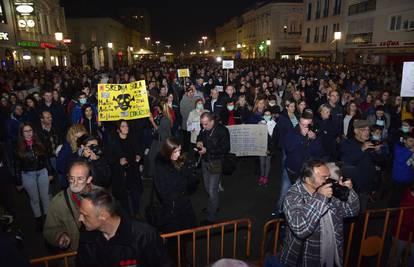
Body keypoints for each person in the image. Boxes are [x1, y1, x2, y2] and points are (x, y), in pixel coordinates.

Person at [280, 159, 359, 267]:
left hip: (331, 258)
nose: (329, 180)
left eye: (328, 176)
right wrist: (320, 198)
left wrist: (348, 192)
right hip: (305, 259)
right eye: (324, 177)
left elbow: (351, 211)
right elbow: (300, 229)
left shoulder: (328, 190)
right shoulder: (293, 197)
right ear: (308, 179)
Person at [76, 188, 172, 267]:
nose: (80, 219)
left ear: (103, 216)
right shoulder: (86, 238)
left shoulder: (145, 236)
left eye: (85, 215)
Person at [43, 161, 99, 252]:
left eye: (80, 179)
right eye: (72, 178)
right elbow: (49, 229)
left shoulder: (102, 196)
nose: (75, 183)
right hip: (74, 255)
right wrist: (60, 236)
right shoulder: (58, 202)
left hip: (100, 253)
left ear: (89, 179)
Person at [14, 122, 53, 231]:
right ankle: (38, 220)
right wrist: (18, 182)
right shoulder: (18, 146)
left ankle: (48, 220)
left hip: (42, 172)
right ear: (22, 133)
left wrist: (50, 173)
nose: (28, 133)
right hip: (27, 175)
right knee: (34, 199)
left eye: (30, 130)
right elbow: (16, 166)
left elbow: (46, 159)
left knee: (45, 197)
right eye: (25, 131)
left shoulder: (39, 142)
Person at [154, 137, 197, 233]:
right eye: (176, 151)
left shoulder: (179, 160)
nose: (178, 154)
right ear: (168, 151)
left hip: (184, 202)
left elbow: (190, 185)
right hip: (172, 206)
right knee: (174, 235)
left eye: (180, 150)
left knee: (185, 232)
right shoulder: (161, 166)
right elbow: (162, 190)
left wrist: (190, 174)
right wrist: (182, 177)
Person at [341, 120, 384, 212]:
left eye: (368, 130)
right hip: (354, 187)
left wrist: (378, 152)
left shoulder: (371, 143)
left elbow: (381, 163)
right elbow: (347, 162)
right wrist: (361, 150)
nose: (367, 132)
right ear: (356, 131)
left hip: (367, 186)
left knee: (362, 212)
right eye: (363, 130)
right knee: (350, 212)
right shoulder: (348, 144)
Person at [196, 112, 230, 224]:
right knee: (207, 187)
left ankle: (211, 216)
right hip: (205, 161)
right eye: (202, 124)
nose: (203, 127)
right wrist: (199, 142)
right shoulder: (204, 129)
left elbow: (225, 149)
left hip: (216, 162)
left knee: (212, 189)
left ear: (212, 121)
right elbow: (199, 137)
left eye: (205, 124)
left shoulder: (222, 131)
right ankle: (213, 205)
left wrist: (208, 150)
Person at [109, 120, 143, 217]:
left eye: (127, 126)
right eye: (123, 126)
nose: (126, 128)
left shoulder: (132, 138)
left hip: (132, 169)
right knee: (123, 195)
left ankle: (136, 212)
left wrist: (138, 156)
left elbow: (139, 150)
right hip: (120, 172)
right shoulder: (114, 141)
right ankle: (126, 215)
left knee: (135, 192)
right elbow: (109, 158)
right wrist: (118, 161)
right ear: (118, 129)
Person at [56, 124, 87, 188]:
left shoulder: (86, 144)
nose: (78, 140)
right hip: (70, 180)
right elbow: (60, 166)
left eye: (81, 137)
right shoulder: (67, 147)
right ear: (71, 136)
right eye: (76, 137)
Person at [390, 132, 414, 207]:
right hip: (399, 178)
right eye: (410, 141)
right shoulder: (398, 147)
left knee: (405, 197)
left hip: (409, 178)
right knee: (396, 198)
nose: (413, 143)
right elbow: (400, 159)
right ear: (404, 141)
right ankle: (392, 213)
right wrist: (410, 151)